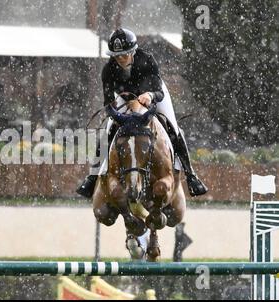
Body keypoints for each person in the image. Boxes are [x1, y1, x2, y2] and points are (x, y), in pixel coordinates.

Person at [76, 28, 208, 198]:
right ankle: (92, 177)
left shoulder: (147, 60)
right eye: (117, 56)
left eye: (124, 54)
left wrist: (149, 95)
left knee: (173, 127)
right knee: (108, 130)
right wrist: (117, 115)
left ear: (133, 51)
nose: (121, 59)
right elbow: (108, 103)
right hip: (125, 98)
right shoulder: (108, 69)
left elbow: (158, 92)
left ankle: (191, 176)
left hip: (154, 94)